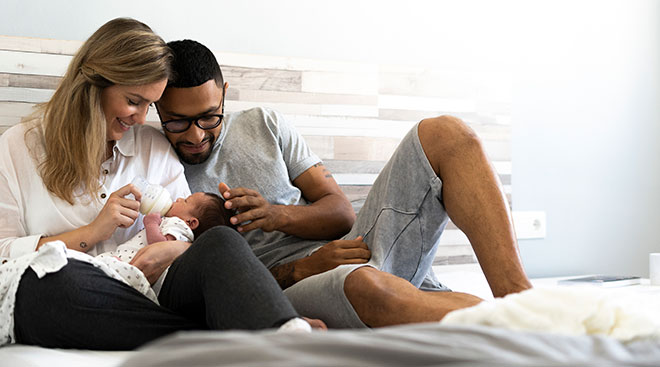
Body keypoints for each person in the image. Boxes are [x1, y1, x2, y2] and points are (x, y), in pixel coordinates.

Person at [156, 39, 533, 328]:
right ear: (156, 107)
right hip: (288, 286)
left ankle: (524, 302)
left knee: (446, 133)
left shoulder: (263, 123)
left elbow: (339, 212)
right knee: (367, 286)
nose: (195, 135)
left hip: (352, 245)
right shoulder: (154, 164)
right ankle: (528, 327)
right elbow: (198, 290)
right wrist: (301, 268)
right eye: (177, 121)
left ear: (224, 93)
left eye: (209, 117)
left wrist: (278, 215)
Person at [0, 18, 319, 350]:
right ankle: (220, 338)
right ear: (92, 86)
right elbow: (4, 256)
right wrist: (91, 234)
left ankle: (283, 337)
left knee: (221, 241)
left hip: (157, 293)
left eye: (150, 105)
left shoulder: (151, 146)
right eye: (134, 101)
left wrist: (178, 247)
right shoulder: (17, 147)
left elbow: (188, 230)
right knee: (42, 285)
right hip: (80, 294)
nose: (140, 119)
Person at [96, 192, 234, 303]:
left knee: (99, 268)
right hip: (128, 263)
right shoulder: (175, 226)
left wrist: (151, 224)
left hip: (132, 266)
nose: (179, 198)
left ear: (191, 222)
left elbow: (160, 245)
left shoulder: (179, 225)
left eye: (186, 201)